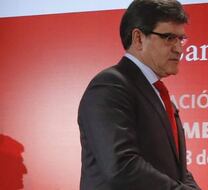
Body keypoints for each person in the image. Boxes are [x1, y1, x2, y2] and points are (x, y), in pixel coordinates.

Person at [77, 0, 201, 189]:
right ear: (138, 39)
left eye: (181, 39)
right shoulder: (110, 86)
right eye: (169, 38)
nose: (179, 48)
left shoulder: (156, 92)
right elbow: (122, 167)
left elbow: (179, 171)